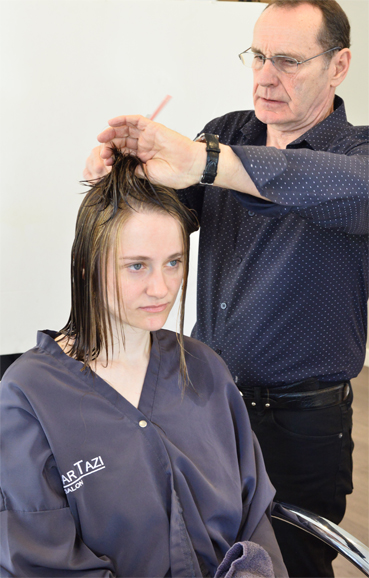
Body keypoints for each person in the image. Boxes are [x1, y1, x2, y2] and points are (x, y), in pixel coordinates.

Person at [83, 1, 369, 576]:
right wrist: (118, 174)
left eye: (288, 60)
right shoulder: (227, 131)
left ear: (338, 66)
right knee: (203, 549)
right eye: (259, 55)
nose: (266, 75)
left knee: (292, 562)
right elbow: (164, 214)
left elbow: (348, 190)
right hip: (203, 401)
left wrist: (205, 161)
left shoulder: (354, 153)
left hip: (301, 424)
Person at [0, 151, 287, 577]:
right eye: (137, 266)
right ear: (86, 268)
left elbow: (254, 519)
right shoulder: (28, 396)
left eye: (173, 262)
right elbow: (39, 561)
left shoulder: (204, 367)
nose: (162, 288)